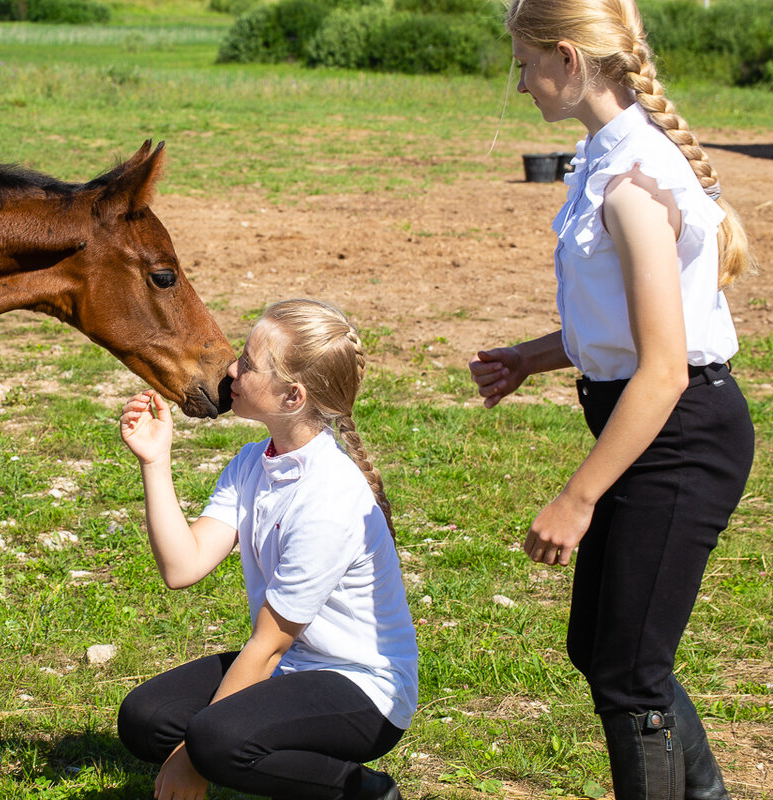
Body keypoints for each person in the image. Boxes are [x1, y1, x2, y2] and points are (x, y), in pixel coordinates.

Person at [468, 1, 757, 798]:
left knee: (630, 672)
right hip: (649, 422)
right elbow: (625, 328)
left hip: (679, 433)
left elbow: (663, 368)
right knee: (601, 647)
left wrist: (578, 496)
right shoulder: (604, 154)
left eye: (524, 66)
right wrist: (531, 357)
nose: (521, 84)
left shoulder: (635, 181)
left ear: (566, 58)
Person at [116, 299, 417, 800]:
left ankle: (363, 792)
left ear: (292, 396)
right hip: (294, 663)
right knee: (145, 718)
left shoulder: (329, 498)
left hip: (363, 689)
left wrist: (191, 759)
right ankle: (251, 744)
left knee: (213, 741)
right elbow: (182, 565)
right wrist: (155, 460)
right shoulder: (257, 460)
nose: (232, 368)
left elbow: (268, 644)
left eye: (250, 364)